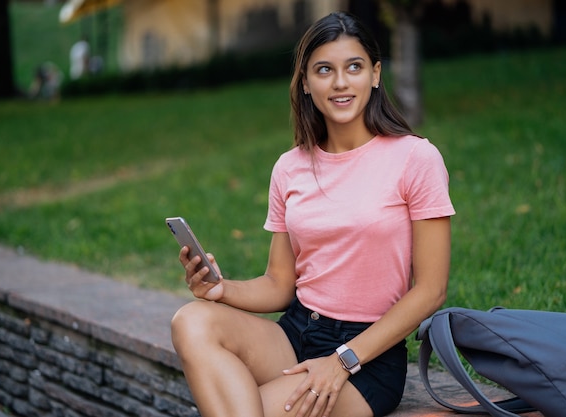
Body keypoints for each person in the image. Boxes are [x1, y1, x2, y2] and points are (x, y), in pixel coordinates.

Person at [171, 11, 455, 417]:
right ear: (305, 82)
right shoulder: (290, 167)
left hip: (368, 356)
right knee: (190, 321)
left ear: (375, 74)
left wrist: (342, 360)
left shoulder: (415, 158)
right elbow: (280, 283)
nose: (340, 82)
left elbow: (430, 291)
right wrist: (221, 290)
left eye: (353, 67)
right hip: (297, 331)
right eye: (324, 70)